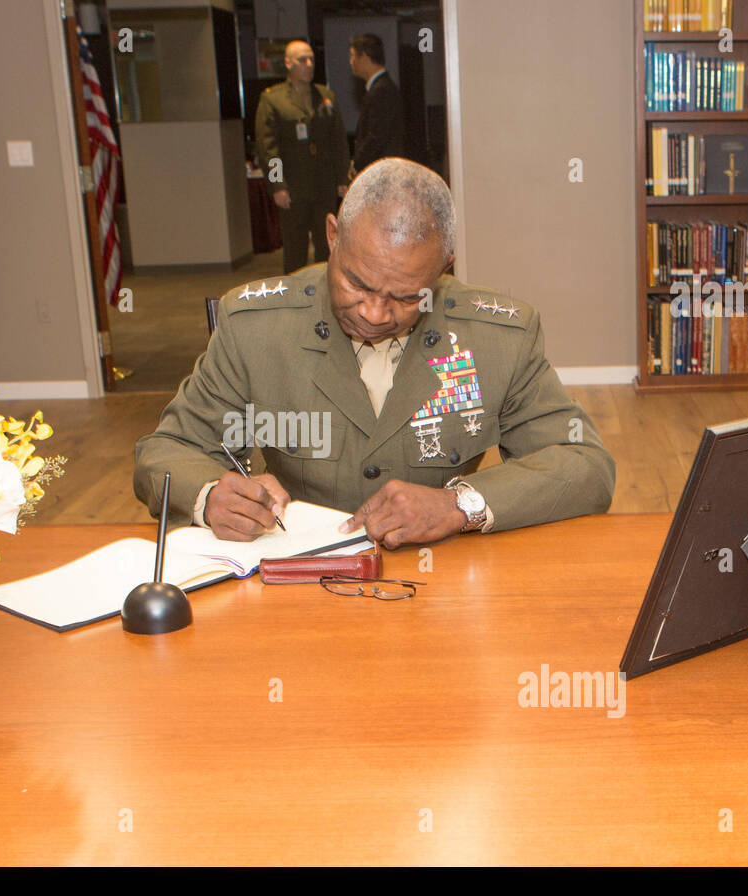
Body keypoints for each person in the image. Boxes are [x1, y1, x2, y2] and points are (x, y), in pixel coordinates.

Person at [134, 159, 615, 549]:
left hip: (440, 578)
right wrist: (210, 495)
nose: (375, 312)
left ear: (444, 268)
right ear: (332, 236)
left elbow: (585, 465)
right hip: (296, 576)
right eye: (357, 282)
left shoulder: (498, 336)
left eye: (406, 297)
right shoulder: (255, 326)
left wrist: (458, 505)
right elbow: (166, 451)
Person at [254, 40, 351, 274]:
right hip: (293, 190)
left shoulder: (325, 96)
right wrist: (277, 185)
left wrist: (342, 179)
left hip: (323, 187)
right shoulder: (273, 100)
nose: (309, 65)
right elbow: (269, 149)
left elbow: (338, 141)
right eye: (302, 60)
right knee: (295, 251)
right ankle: (294, 301)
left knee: (327, 248)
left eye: (311, 59)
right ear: (288, 63)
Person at [347, 33, 405, 178]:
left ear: (365, 57)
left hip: (382, 171)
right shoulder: (381, 87)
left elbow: (376, 135)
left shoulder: (382, 90)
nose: (351, 62)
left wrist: (357, 164)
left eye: (353, 56)